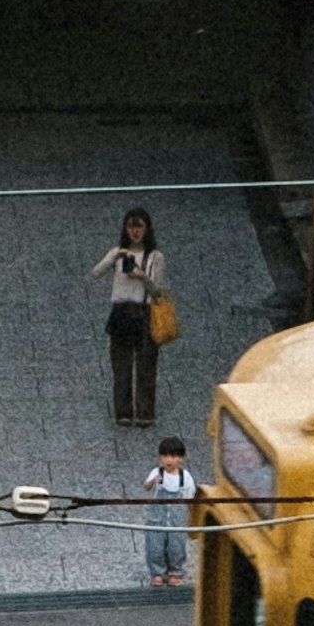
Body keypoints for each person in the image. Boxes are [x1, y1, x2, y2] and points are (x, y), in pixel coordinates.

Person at [96, 207, 167, 433]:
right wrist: (113, 257)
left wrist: (143, 277)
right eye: (131, 226)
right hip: (120, 312)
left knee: (146, 366)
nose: (135, 231)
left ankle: (145, 413)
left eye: (139, 227)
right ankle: (123, 413)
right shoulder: (118, 253)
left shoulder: (155, 257)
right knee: (121, 366)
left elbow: (158, 291)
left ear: (147, 229)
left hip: (143, 312)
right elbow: (96, 272)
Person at [141, 431, 196, 592]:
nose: (168, 460)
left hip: (177, 518)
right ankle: (157, 573)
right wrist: (153, 481)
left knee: (176, 545)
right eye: (164, 456)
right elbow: (146, 487)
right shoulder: (157, 472)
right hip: (157, 517)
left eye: (172, 456)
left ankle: (175, 572)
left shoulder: (185, 476)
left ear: (180, 459)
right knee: (155, 545)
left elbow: (190, 495)